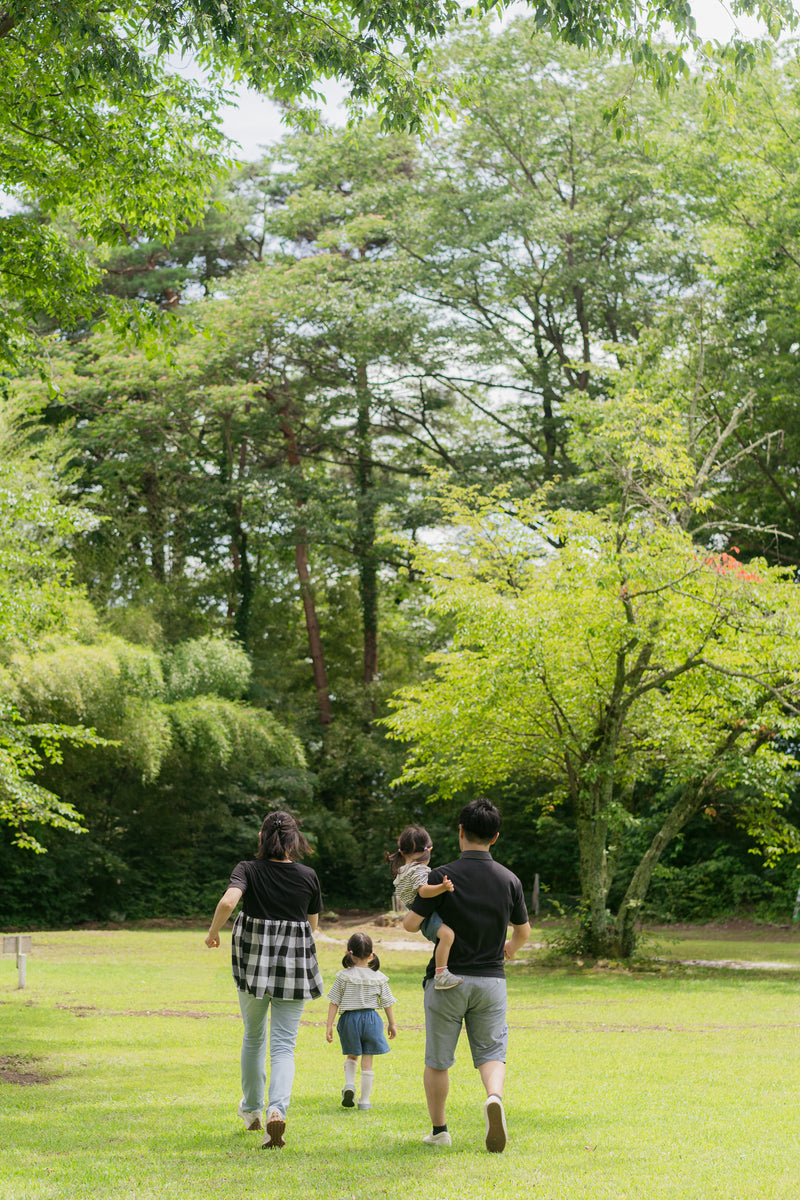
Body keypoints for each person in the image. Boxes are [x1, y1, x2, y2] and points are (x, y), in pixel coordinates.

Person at [402, 798, 530, 1154]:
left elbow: (411, 924)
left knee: (438, 1059)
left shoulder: (441, 875)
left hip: (447, 979)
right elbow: (523, 931)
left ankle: (440, 1130)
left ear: (460, 831)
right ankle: (493, 1097)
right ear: (496, 836)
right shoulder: (509, 879)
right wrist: (509, 950)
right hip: (491, 981)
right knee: (491, 1052)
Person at [205, 809, 323, 1150]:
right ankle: (276, 1109)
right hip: (294, 968)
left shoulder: (248, 869)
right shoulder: (308, 876)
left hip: (253, 965)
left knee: (253, 1036)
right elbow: (312, 925)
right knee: (284, 1044)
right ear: (293, 840)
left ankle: (253, 1112)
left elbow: (229, 900)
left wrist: (214, 932)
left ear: (261, 837)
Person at [325, 932, 397, 1111]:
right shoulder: (379, 977)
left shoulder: (343, 976)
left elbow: (334, 1001)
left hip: (349, 1019)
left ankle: (349, 1085)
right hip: (371, 1020)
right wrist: (392, 1024)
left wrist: (329, 1025)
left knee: (351, 1055)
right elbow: (387, 1002)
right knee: (368, 1059)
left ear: (349, 953)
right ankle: (364, 1101)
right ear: (371, 955)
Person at [387, 825, 463, 989]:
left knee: (446, 936)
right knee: (448, 935)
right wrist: (442, 888)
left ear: (402, 852)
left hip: (415, 911)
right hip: (425, 914)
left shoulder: (402, 871)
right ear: (428, 850)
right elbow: (424, 892)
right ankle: (441, 974)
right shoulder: (419, 870)